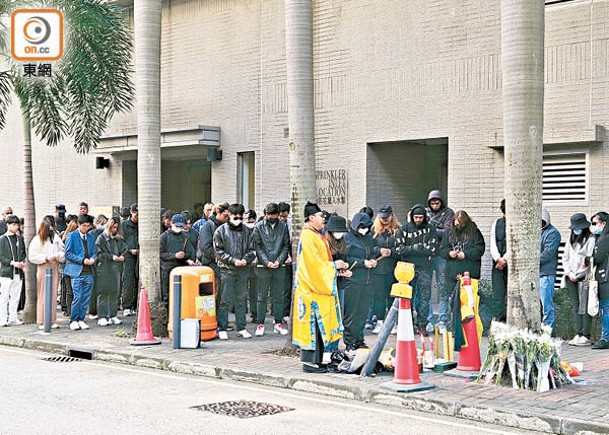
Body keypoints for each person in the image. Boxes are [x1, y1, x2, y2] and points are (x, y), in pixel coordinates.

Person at [292, 202, 348, 372]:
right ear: (311, 218)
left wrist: (336, 271)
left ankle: (316, 360)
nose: (323, 219)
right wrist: (334, 266)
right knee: (312, 327)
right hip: (310, 289)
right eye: (320, 216)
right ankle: (309, 363)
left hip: (316, 288)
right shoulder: (308, 236)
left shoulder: (317, 235)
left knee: (318, 327)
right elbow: (313, 266)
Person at [214, 203, 256, 340]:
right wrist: (233, 260)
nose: (237, 218)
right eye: (235, 216)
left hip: (243, 270)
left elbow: (252, 249)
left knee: (241, 300)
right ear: (229, 215)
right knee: (224, 300)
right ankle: (222, 327)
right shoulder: (220, 231)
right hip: (227, 270)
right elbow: (219, 251)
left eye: (240, 216)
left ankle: (242, 328)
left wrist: (245, 259)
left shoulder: (247, 231)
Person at [397, 204, 439, 334]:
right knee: (407, 297)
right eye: (416, 217)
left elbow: (433, 249)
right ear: (412, 217)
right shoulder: (404, 229)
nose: (418, 220)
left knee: (424, 298)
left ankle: (422, 325)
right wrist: (415, 248)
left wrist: (415, 250)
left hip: (425, 268)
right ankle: (407, 324)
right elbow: (399, 249)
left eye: (421, 217)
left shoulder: (430, 229)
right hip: (407, 268)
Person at [439, 210, 485, 322]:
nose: (458, 226)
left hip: (469, 272)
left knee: (469, 301)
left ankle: (469, 323)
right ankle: (453, 322)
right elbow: (442, 249)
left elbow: (480, 249)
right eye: (456, 223)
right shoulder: (449, 232)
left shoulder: (474, 232)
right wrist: (449, 253)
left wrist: (466, 254)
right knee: (452, 300)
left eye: (461, 224)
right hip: (452, 273)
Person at [253, 203, 290, 336]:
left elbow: (286, 245)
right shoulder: (258, 227)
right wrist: (266, 261)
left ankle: (278, 323)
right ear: (265, 214)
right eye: (269, 215)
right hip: (263, 266)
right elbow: (257, 247)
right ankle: (260, 324)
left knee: (278, 296)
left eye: (274, 215)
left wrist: (279, 261)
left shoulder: (283, 226)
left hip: (279, 266)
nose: (271, 217)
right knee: (261, 296)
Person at [343, 211, 377, 351]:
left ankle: (359, 340)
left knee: (362, 313)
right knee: (351, 313)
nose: (364, 230)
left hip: (367, 280)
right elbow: (346, 259)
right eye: (362, 227)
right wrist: (363, 263)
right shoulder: (348, 238)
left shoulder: (368, 237)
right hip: (353, 280)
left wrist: (374, 259)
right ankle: (350, 342)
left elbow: (372, 251)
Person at [563, 213, 595, 346]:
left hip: (584, 277)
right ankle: (578, 333)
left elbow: (589, 260)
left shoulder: (591, 239)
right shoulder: (570, 240)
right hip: (571, 277)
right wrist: (569, 273)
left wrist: (577, 274)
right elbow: (565, 258)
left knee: (585, 306)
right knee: (576, 306)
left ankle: (585, 335)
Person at [28, 215, 65, 329]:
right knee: (43, 294)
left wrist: (59, 256)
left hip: (54, 266)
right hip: (43, 266)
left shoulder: (55, 238)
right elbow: (32, 256)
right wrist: (45, 257)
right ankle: (42, 320)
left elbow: (63, 251)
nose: (52, 230)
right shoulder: (37, 239)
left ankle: (52, 319)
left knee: (53, 294)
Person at [426, 190, 455, 331]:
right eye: (432, 203)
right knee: (425, 288)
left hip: (441, 255)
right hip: (427, 255)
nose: (435, 205)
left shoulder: (448, 213)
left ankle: (442, 320)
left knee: (443, 287)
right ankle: (429, 319)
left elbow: (448, 232)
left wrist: (431, 229)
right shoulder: (426, 212)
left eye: (437, 203)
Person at [64, 214, 97, 331]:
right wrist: (82, 260)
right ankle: (73, 320)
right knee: (77, 297)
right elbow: (68, 254)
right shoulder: (71, 236)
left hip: (89, 271)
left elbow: (94, 251)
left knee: (85, 297)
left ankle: (81, 319)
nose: (86, 228)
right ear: (78, 224)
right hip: (76, 271)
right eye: (84, 226)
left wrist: (93, 258)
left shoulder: (91, 237)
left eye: (88, 226)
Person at [370, 205, 400, 335]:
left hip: (394, 268)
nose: (384, 220)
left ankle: (393, 322)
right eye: (382, 218)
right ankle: (379, 321)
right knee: (379, 296)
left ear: (391, 216)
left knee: (392, 296)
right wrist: (379, 250)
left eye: (387, 217)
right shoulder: (373, 230)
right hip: (378, 268)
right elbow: (369, 248)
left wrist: (392, 252)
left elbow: (402, 248)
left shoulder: (398, 230)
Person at [197, 202, 229, 304]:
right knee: (212, 295)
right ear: (218, 213)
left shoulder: (224, 226)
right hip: (210, 264)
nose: (227, 218)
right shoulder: (208, 226)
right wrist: (219, 257)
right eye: (225, 216)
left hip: (220, 264)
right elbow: (205, 247)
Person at [95, 217, 126, 326]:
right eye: (113, 227)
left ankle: (113, 315)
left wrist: (121, 256)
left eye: (116, 228)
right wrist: (112, 257)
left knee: (114, 292)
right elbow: (98, 254)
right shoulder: (101, 238)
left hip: (115, 268)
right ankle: (102, 316)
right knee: (103, 292)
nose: (114, 230)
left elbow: (124, 249)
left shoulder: (118, 239)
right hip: (104, 268)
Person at [160, 214, 196, 305]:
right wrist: (174, 255)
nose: (179, 228)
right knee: (167, 295)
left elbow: (189, 252)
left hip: (181, 268)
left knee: (181, 294)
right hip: (167, 269)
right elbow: (160, 254)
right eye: (177, 226)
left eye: (181, 226)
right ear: (171, 223)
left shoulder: (184, 236)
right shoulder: (164, 236)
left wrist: (184, 255)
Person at [0, 215, 26, 326]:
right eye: (13, 224)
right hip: (6, 273)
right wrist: (12, 262)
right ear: (7, 225)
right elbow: (0, 256)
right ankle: (2, 319)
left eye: (17, 225)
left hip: (18, 273)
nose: (16, 227)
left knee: (15, 297)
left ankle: (13, 317)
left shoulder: (20, 238)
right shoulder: (2, 239)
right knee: (4, 296)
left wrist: (22, 262)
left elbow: (23, 252)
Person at [540, 207, 561, 332]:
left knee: (547, 306)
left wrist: (531, 261)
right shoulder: (537, 232)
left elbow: (548, 254)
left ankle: (548, 332)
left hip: (546, 274)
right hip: (536, 274)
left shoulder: (552, 233)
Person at [590, 212, 609, 349]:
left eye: (595, 223)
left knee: (605, 309)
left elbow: (598, 258)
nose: (594, 226)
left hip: (605, 279)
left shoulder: (605, 239)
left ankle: (605, 338)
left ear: (604, 223)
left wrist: (587, 260)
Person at [490, 199, 508, 322]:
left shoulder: (518, 224)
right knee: (498, 294)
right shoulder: (497, 223)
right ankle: (499, 320)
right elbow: (493, 243)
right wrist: (498, 259)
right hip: (497, 264)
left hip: (511, 264)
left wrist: (505, 259)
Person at [121, 203, 139, 316]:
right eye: (135, 214)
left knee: (138, 280)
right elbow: (121, 241)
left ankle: (135, 305)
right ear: (131, 212)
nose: (137, 216)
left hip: (140, 255)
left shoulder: (141, 225)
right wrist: (129, 250)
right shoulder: (124, 225)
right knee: (128, 281)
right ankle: (126, 306)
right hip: (128, 256)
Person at [278, 201, 293, 322]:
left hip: (289, 260)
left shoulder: (290, 224)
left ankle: (285, 313)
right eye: (281, 216)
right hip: (278, 259)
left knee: (287, 288)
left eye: (285, 216)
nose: (283, 218)